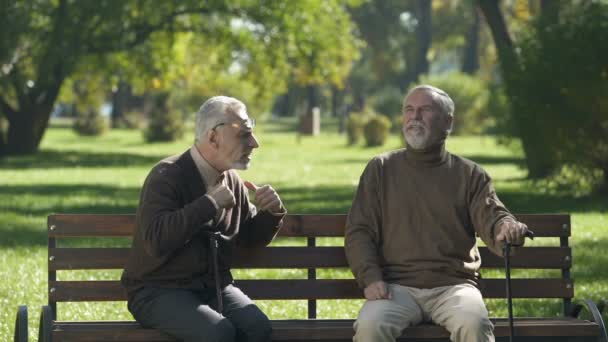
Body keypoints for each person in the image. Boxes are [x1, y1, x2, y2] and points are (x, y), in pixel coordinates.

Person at [344, 85, 529, 342]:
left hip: (455, 287)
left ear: (448, 122)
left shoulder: (470, 174)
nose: (414, 116)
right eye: (409, 110)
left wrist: (506, 228)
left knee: (474, 325)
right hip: (394, 288)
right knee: (370, 327)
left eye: (425, 110)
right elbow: (359, 231)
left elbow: (493, 216)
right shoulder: (381, 169)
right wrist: (371, 278)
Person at [121, 96, 286, 342]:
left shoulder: (232, 181)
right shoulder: (166, 175)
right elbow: (156, 241)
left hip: (212, 288)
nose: (255, 142)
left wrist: (270, 214)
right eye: (243, 134)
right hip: (157, 291)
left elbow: (248, 238)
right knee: (217, 333)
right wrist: (209, 204)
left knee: (257, 328)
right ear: (213, 137)